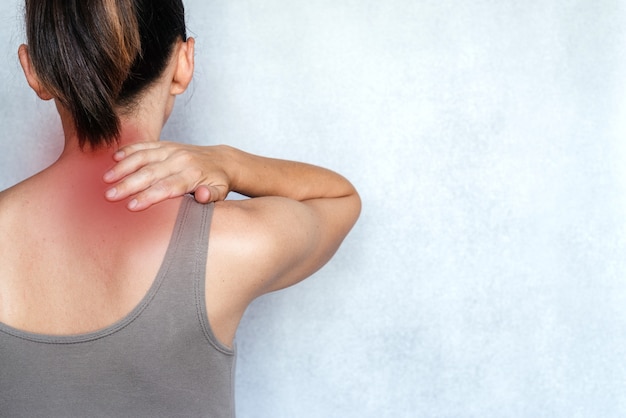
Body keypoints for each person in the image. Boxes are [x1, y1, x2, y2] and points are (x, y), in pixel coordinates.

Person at [0, 0, 360, 416]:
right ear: (184, 63)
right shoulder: (230, 245)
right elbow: (339, 199)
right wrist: (230, 163)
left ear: (34, 70)